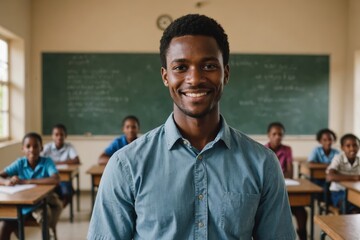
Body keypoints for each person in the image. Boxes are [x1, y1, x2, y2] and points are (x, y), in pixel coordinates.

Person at [88, 14, 295, 239]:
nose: (194, 79)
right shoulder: (126, 165)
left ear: (225, 74)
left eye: (208, 65)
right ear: (165, 76)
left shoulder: (262, 164)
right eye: (181, 67)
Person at [0, 132, 63, 240]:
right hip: (21, 203)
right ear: (22, 149)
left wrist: (26, 181)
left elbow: (56, 179)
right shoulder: (20, 163)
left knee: (45, 215)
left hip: (39, 203)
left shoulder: (46, 162)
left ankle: (49, 234)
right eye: (28, 146)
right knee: (5, 226)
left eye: (35, 146)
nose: (32, 150)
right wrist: (6, 182)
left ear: (41, 148)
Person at [265, 122, 307, 240]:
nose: (277, 136)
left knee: (301, 211)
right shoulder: (263, 149)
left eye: (280, 134)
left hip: (287, 187)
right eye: (274, 134)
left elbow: (290, 172)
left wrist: (278, 176)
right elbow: (264, 174)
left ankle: (302, 235)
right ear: (269, 135)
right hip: (271, 192)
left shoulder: (287, 149)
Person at [42, 123, 80, 205]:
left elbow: (76, 160)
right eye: (56, 134)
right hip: (49, 176)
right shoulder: (47, 147)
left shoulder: (69, 146)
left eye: (61, 134)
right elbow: (39, 159)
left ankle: (61, 204)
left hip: (63, 176)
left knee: (67, 189)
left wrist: (55, 163)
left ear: (65, 136)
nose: (59, 137)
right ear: (52, 136)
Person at [326, 133, 360, 212]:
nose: (352, 148)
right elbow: (330, 177)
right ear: (342, 148)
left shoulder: (359, 160)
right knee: (350, 207)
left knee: (356, 204)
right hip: (338, 192)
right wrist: (355, 177)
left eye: (355, 145)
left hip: (354, 191)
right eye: (348, 146)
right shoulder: (338, 158)